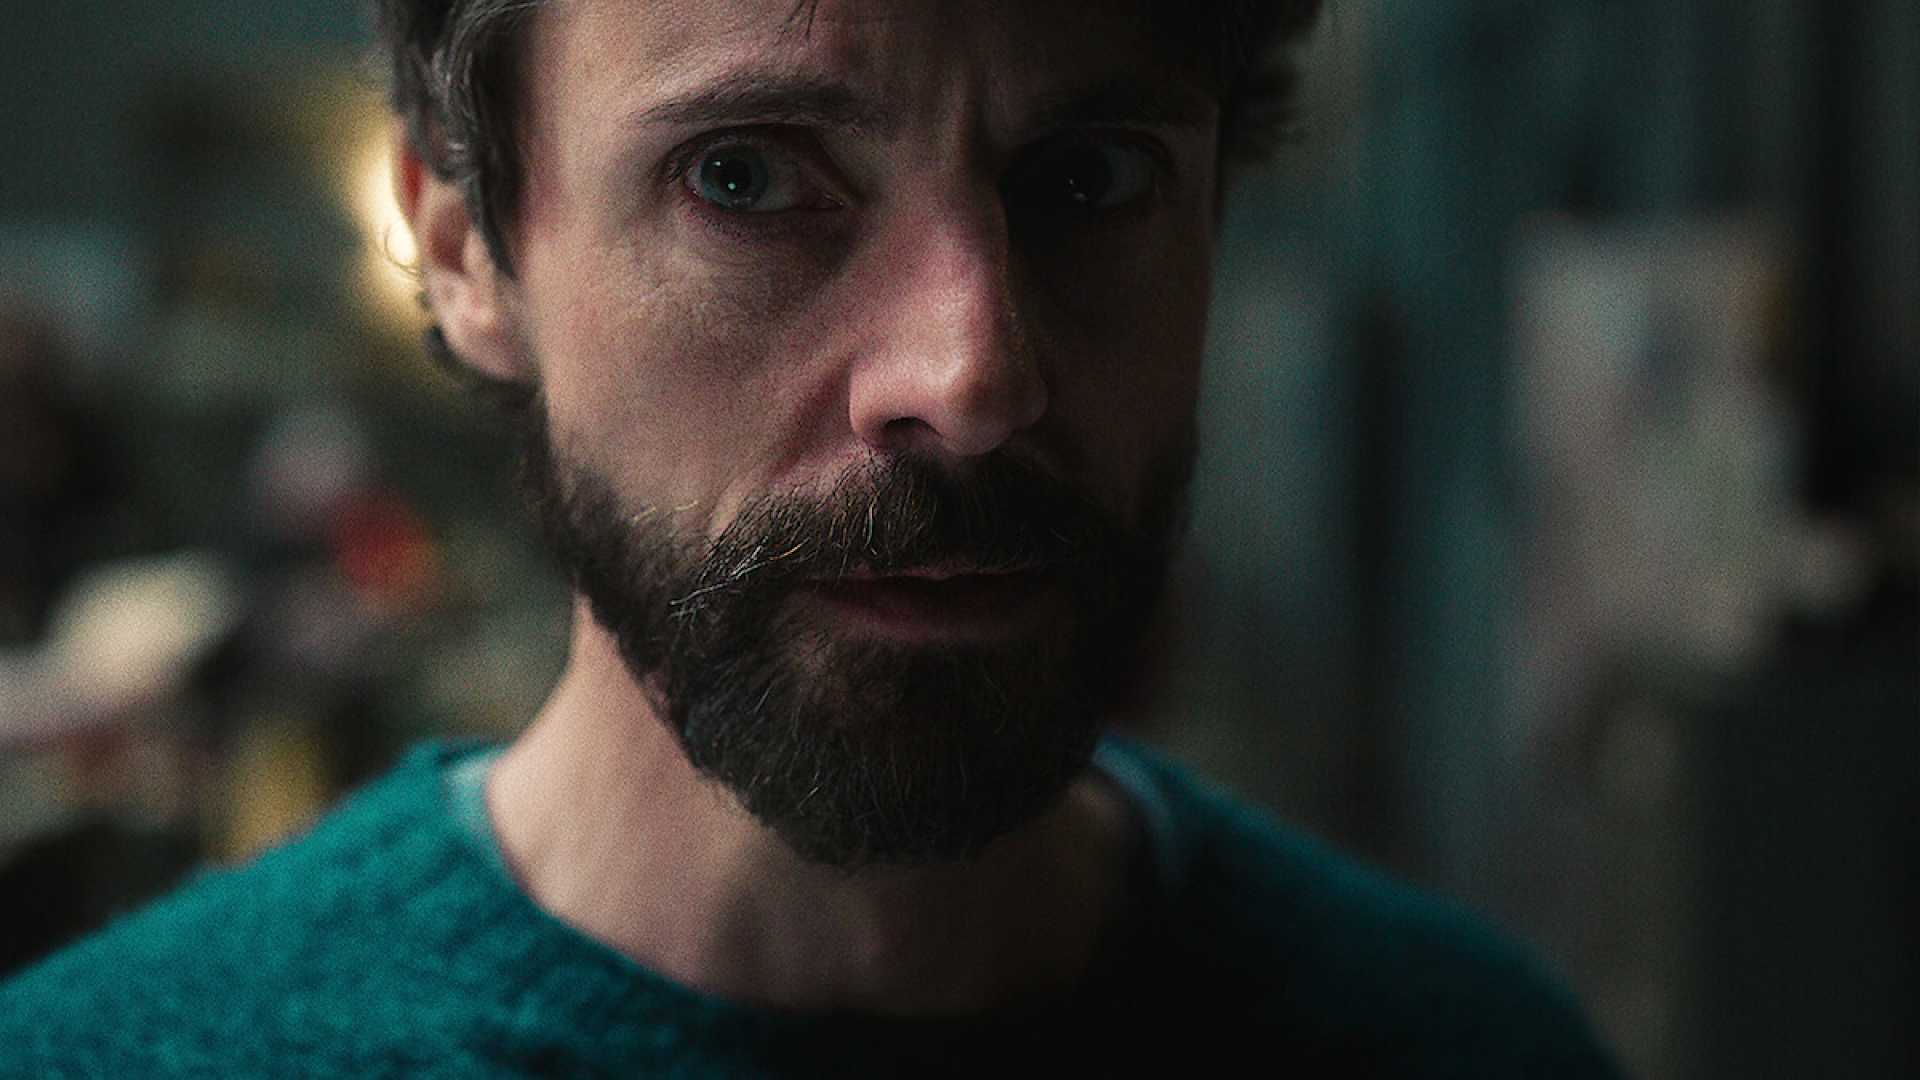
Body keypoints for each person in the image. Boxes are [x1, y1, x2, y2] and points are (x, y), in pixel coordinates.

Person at [0, 1, 1621, 1074]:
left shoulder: (1472, 1053)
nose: (971, 378)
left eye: (1090, 178)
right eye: (745, 175)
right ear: (466, 249)